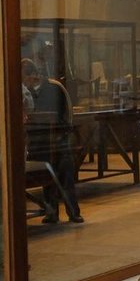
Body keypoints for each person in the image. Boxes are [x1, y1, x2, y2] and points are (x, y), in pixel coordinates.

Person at [21, 58, 83, 224]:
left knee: (66, 178)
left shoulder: (55, 88)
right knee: (47, 179)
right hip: (39, 142)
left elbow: (65, 114)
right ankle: (52, 213)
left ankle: (73, 212)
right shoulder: (27, 92)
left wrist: (63, 134)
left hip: (59, 141)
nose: (23, 83)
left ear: (32, 75)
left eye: (24, 78)